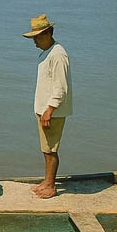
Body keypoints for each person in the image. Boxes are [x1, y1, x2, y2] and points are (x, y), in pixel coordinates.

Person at [23, 14, 72, 199]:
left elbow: (61, 87)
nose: (35, 41)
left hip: (52, 111)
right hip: (44, 109)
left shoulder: (58, 54)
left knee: (51, 148)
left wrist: (50, 110)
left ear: (49, 33)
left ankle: (51, 186)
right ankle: (46, 181)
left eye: (37, 37)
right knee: (46, 147)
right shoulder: (49, 52)